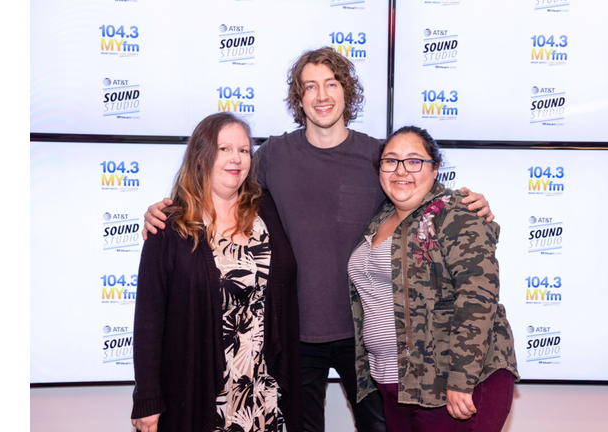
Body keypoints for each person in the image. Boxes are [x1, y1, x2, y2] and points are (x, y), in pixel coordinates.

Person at [142, 47, 494, 432]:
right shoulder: (273, 155)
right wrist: (169, 209)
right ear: (299, 98)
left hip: (365, 334)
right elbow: (220, 180)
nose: (322, 95)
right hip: (294, 334)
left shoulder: (374, 155)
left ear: (347, 91)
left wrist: (464, 202)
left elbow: (416, 188)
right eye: (310, 86)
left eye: (331, 84)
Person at [130, 112, 302, 432]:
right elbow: (149, 321)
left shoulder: (266, 211)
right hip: (201, 390)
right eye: (224, 149)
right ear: (201, 156)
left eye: (243, 150)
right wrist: (147, 398)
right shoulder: (169, 226)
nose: (235, 158)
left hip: (263, 390)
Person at [347, 126, 519, 432]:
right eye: (391, 161)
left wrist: (461, 380)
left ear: (435, 168)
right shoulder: (380, 217)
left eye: (414, 161)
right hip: (395, 384)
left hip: (452, 385)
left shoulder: (457, 214)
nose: (401, 171)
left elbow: (477, 298)